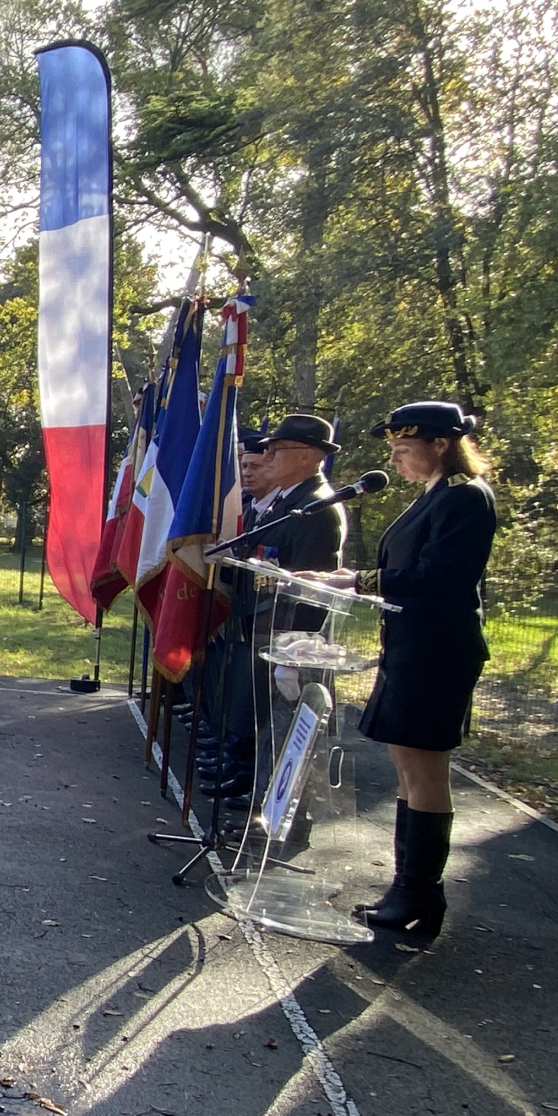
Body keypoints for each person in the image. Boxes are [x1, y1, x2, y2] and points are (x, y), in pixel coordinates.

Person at [302, 402, 496, 942]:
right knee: (407, 768)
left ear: (440, 444)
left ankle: (421, 891)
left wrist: (360, 582)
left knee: (424, 770)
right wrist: (355, 578)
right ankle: (406, 888)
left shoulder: (466, 499)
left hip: (439, 652)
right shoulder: (435, 496)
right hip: (411, 646)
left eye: (403, 449)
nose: (396, 458)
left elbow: (440, 576)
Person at [197, 414, 347, 803]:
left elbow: (310, 586)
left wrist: (295, 654)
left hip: (288, 636)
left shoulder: (318, 507)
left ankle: (272, 798)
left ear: (307, 456)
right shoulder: (290, 502)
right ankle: (256, 787)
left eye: (278, 450)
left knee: (281, 724)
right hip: (262, 624)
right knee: (258, 715)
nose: (269, 457)